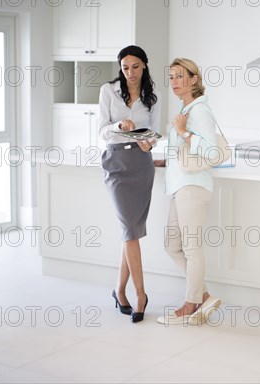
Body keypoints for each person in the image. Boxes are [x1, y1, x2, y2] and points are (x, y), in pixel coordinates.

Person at [153, 58, 221, 325]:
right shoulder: (187, 108)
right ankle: (202, 296)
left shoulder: (200, 111)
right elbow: (183, 151)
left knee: (192, 248)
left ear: (194, 79)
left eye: (180, 76)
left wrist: (183, 132)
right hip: (180, 186)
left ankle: (191, 305)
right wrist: (164, 158)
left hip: (193, 187)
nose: (174, 82)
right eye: (171, 77)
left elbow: (212, 152)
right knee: (172, 246)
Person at [99, 45, 161, 323]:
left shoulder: (152, 96)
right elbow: (101, 130)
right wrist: (117, 127)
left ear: (144, 65)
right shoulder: (108, 91)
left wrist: (149, 142)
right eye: (125, 67)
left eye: (135, 66)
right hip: (116, 164)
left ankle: (118, 291)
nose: (130, 72)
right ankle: (141, 295)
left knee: (131, 232)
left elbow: (155, 132)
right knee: (129, 230)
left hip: (141, 164)